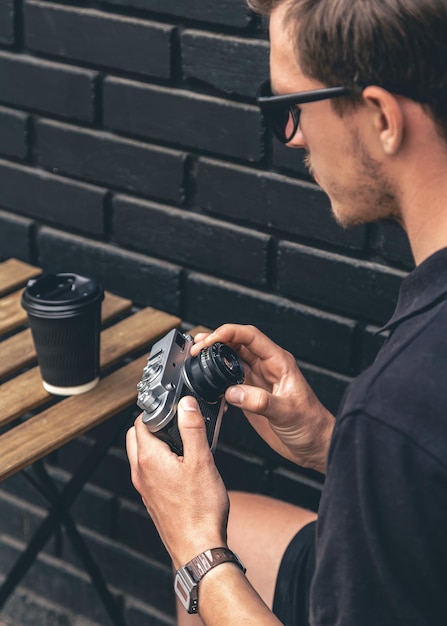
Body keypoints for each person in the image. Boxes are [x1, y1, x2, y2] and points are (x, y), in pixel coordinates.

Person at [126, 0, 447, 624]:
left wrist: (196, 550)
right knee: (241, 522)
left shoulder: (400, 402)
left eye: (290, 108)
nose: (293, 135)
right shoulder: (397, 421)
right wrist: (337, 445)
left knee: (208, 560)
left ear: (382, 116)